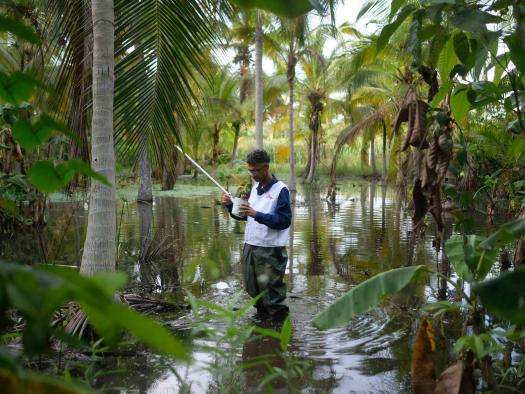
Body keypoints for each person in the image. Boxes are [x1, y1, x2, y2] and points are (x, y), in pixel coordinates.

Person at [221, 149, 292, 316]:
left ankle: (280, 327)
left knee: (272, 294)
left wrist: (256, 214)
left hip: (270, 249)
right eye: (250, 170)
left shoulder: (280, 190)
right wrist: (229, 206)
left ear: (266, 168)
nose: (252, 174)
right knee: (252, 288)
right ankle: (262, 324)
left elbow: (284, 221)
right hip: (250, 246)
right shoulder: (254, 188)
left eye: (256, 170)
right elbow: (245, 217)